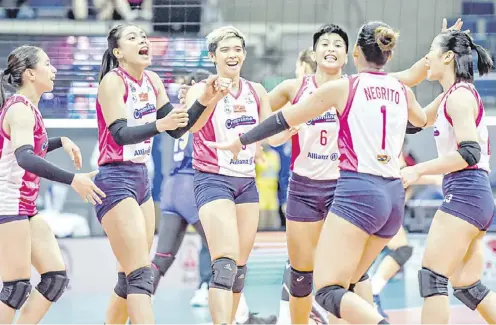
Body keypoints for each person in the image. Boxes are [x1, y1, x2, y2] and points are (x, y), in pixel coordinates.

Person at [206, 20, 444, 323]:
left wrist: (242, 141)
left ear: (350, 55)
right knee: (301, 275)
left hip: (343, 188)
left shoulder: (351, 86)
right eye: (325, 44)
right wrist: (219, 96)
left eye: (338, 46)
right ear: (314, 53)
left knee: (348, 279)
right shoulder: (296, 88)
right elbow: (259, 110)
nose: (331, 49)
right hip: (306, 188)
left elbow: (411, 77)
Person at [94, 23, 228, 324]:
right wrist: (159, 125)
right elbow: (118, 134)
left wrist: (205, 100)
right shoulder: (112, 83)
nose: (142, 40)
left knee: (127, 276)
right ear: (118, 52)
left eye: (143, 36)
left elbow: (179, 126)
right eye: (132, 38)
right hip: (114, 180)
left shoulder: (152, 80)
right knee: (141, 273)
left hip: (141, 179)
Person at [0, 45, 104, 324]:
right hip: (7, 202)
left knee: (55, 278)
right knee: (15, 287)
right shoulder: (20, 109)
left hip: (24, 205)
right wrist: (73, 179)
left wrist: (61, 141)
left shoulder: (28, 108)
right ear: (31, 73)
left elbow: (26, 147)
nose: (54, 68)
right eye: (48, 63)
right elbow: (24, 157)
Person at [183, 25, 280, 324]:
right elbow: (192, 127)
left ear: (244, 55)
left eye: (237, 49)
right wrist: (211, 97)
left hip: (246, 182)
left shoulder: (257, 91)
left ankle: (234, 320)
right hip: (213, 179)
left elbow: (271, 136)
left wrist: (292, 126)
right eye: (225, 49)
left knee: (238, 268)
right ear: (213, 56)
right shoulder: (202, 89)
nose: (233, 54)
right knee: (223, 265)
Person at [401, 29, 496, 324]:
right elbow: (416, 121)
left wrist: (418, 168)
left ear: (447, 57)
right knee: (467, 286)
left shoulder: (460, 98)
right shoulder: (450, 96)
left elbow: (470, 154)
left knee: (433, 279)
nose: (426, 57)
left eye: (431, 50)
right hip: (472, 195)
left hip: (466, 196)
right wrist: (394, 84)